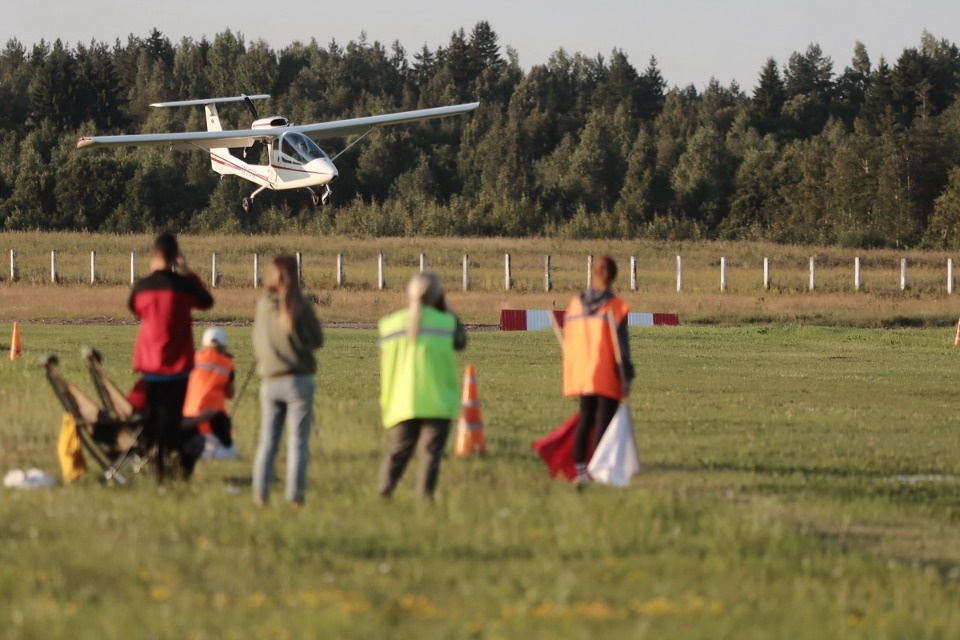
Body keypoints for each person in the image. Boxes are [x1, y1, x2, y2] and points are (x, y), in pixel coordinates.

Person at [129, 232, 214, 481]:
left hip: (150, 366)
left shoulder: (142, 288)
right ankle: (167, 469)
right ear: (176, 257)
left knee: (151, 419)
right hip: (177, 368)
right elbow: (206, 301)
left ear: (152, 255)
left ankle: (155, 464)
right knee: (171, 420)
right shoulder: (184, 287)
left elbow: (134, 307)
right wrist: (187, 272)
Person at [378, 271, 466, 500]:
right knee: (430, 454)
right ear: (438, 295)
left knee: (398, 450)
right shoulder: (446, 323)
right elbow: (461, 341)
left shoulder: (390, 325)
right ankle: (425, 497)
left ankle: (384, 492)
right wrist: (446, 308)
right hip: (437, 400)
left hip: (402, 400)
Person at [252, 256, 323, 508]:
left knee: (267, 442)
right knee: (297, 443)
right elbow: (317, 339)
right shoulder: (301, 305)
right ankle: (295, 498)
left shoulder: (263, 305)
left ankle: (260, 496)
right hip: (298, 381)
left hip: (270, 381)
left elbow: (258, 338)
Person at [562, 255, 635, 488]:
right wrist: (627, 375)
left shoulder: (576, 304)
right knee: (604, 421)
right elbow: (621, 347)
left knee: (585, 418)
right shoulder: (614, 306)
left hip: (583, 371)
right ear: (613, 276)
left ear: (594, 273)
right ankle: (598, 469)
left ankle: (580, 470)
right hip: (606, 371)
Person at [183, 327, 237, 459]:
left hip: (188, 421)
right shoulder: (227, 363)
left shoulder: (193, 359)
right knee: (231, 452)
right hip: (212, 422)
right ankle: (205, 454)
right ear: (223, 345)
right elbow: (230, 393)